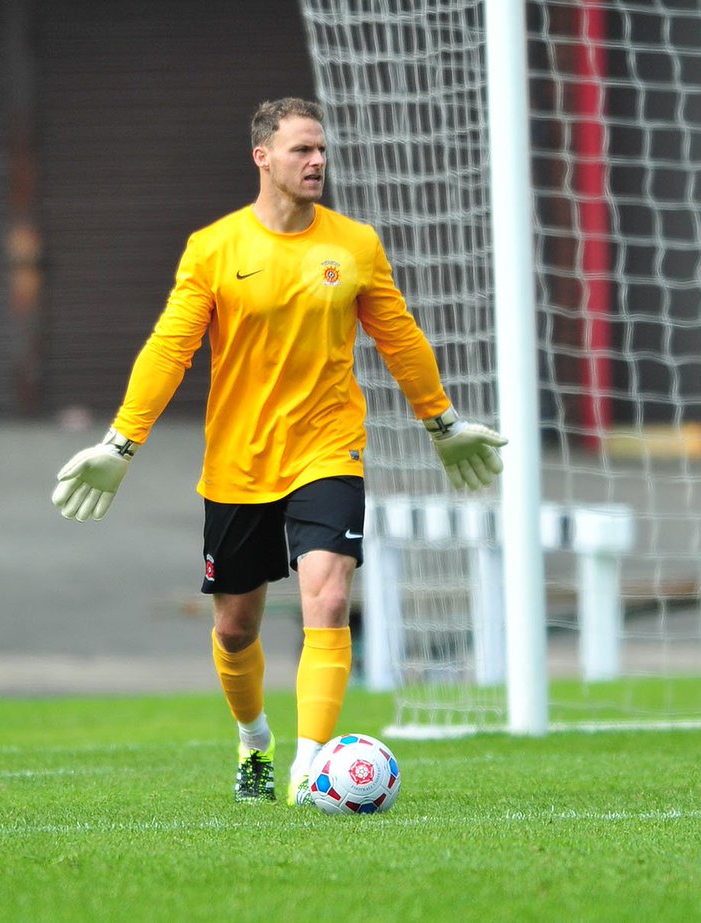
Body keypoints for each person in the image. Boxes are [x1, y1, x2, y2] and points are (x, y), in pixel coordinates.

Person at [50, 97, 507, 806]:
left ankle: (313, 760)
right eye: (301, 150)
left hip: (328, 448)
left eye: (321, 149)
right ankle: (256, 740)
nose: (317, 160)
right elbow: (171, 349)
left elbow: (401, 338)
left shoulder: (355, 245)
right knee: (236, 629)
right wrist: (121, 442)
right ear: (262, 157)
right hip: (237, 461)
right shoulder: (215, 247)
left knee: (327, 594)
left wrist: (442, 425)